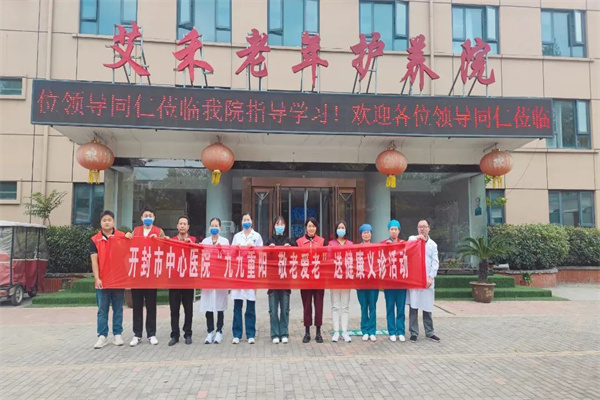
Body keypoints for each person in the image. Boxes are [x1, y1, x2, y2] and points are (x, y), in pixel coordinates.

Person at [125, 207, 165, 346]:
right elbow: (128, 246)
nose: (148, 218)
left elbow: (165, 246)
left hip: (151, 275)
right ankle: (137, 334)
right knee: (137, 305)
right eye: (145, 216)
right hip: (137, 274)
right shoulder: (135, 231)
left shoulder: (158, 231)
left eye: (150, 215)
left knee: (151, 305)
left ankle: (151, 334)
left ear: (154, 218)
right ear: (141, 218)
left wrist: (159, 240)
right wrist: (126, 237)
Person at [90, 210, 126, 349]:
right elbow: (94, 262)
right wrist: (97, 278)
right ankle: (102, 336)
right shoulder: (95, 240)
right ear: (100, 223)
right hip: (103, 281)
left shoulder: (122, 237)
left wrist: (130, 237)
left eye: (109, 220)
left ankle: (117, 334)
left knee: (118, 309)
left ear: (113, 222)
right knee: (102, 310)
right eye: (104, 220)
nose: (107, 222)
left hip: (118, 281)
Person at [230, 212, 263, 344]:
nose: (246, 222)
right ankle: (237, 334)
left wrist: (254, 248)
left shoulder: (257, 236)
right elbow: (231, 253)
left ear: (252, 221)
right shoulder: (237, 236)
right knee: (237, 305)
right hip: (239, 273)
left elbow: (262, 253)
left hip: (250, 273)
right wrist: (236, 249)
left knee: (250, 306)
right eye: (244, 220)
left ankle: (250, 334)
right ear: (241, 222)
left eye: (248, 219)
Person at [407, 219, 441, 343]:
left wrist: (431, 278)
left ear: (429, 228)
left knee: (427, 307)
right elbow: (408, 242)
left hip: (427, 280)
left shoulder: (433, 245)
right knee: (413, 306)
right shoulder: (413, 240)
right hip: (415, 279)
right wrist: (417, 238)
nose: (422, 229)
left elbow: (435, 263)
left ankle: (429, 332)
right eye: (420, 226)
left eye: (424, 226)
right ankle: (413, 333)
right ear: (417, 229)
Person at [265, 216, 295, 344]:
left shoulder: (289, 240)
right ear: (274, 226)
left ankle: (284, 332)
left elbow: (297, 253)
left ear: (285, 226)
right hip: (272, 280)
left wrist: (291, 247)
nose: (280, 226)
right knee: (273, 310)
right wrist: (269, 249)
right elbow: (263, 256)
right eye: (277, 224)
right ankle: (274, 334)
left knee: (285, 309)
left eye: (282, 224)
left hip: (285, 280)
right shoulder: (269, 240)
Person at [200, 217, 229, 345]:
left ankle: (219, 331)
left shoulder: (225, 241)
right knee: (208, 305)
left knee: (219, 304)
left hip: (220, 276)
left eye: (216, 225)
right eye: (212, 225)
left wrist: (221, 249)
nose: (214, 228)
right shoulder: (205, 241)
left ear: (220, 228)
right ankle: (210, 331)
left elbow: (229, 257)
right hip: (208, 276)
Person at [167, 216, 196, 346]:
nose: (182, 226)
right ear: (177, 226)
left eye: (185, 224)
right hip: (174, 280)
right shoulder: (171, 241)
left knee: (188, 309)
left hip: (188, 280)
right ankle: (175, 334)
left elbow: (199, 254)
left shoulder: (193, 240)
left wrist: (192, 245)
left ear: (188, 227)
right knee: (174, 309)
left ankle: (188, 334)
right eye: (180, 224)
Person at [296, 217, 325, 343]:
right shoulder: (299, 242)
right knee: (307, 305)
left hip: (319, 279)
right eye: (309, 226)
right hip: (305, 279)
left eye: (313, 226)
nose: (311, 228)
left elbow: (325, 259)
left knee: (319, 305)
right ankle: (307, 332)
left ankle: (318, 332)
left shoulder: (322, 241)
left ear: (316, 228)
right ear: (306, 228)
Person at [328, 220, 353, 343]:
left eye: (343, 227)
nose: (341, 230)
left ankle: (345, 331)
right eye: (339, 227)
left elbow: (353, 260)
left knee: (345, 306)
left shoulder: (350, 244)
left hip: (346, 279)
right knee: (335, 306)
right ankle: (336, 332)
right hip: (335, 279)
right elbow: (328, 260)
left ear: (346, 229)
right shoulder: (331, 244)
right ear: (336, 230)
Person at [382, 219, 407, 342]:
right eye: (391, 229)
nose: (393, 231)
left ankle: (401, 331)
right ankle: (392, 331)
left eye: (395, 229)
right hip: (389, 283)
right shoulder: (383, 244)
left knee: (401, 308)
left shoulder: (404, 244)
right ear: (388, 231)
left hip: (401, 282)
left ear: (399, 231)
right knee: (390, 307)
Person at [356, 223, 378, 342]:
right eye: (364, 232)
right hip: (361, 283)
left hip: (373, 283)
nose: (366, 234)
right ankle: (364, 330)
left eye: (368, 232)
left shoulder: (376, 248)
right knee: (364, 307)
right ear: (361, 234)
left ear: (371, 234)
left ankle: (372, 331)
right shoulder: (357, 248)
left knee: (372, 307)